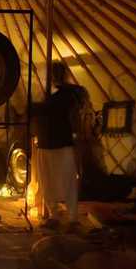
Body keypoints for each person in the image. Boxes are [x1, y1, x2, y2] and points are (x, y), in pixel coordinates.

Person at [32, 61, 87, 229]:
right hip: (45, 142)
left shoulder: (71, 93)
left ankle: (72, 218)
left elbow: (78, 107)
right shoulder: (49, 95)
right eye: (53, 73)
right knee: (47, 181)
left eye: (57, 73)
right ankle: (54, 215)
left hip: (62, 143)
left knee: (67, 179)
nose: (55, 76)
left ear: (63, 74)